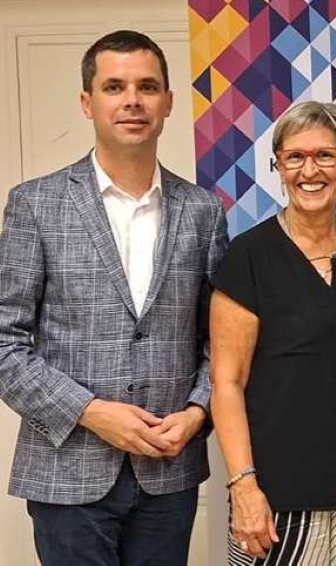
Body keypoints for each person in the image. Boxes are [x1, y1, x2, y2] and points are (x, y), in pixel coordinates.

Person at [0, 29, 228, 565]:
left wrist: (198, 411)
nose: (132, 100)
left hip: (168, 473)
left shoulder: (203, 211)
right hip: (67, 471)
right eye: (114, 87)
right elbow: (4, 342)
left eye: (147, 86)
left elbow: (220, 338)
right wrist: (90, 411)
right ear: (88, 101)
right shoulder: (37, 204)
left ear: (168, 102)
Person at [210, 100, 336, 564]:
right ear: (278, 166)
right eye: (295, 157)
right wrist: (243, 486)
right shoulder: (248, 259)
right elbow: (227, 382)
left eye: (325, 155)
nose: (310, 170)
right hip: (275, 501)